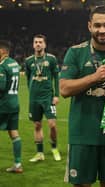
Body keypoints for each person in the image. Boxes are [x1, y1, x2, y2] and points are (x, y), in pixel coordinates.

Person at [60, 5, 105, 187]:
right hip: (82, 136)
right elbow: (65, 89)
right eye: (97, 25)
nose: (102, 30)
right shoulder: (75, 52)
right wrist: (94, 77)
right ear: (89, 26)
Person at [25, 34, 61, 162]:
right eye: (36, 42)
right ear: (33, 44)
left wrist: (56, 95)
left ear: (45, 44)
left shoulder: (51, 59)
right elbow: (28, 78)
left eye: (40, 42)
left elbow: (56, 77)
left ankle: (54, 148)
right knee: (37, 125)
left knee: (52, 124)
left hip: (48, 97)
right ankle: (40, 153)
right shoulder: (28, 61)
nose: (38, 44)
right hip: (34, 99)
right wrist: (31, 93)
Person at [0, 40, 23, 173]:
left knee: (13, 132)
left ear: (2, 51)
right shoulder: (14, 63)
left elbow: (1, 87)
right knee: (14, 132)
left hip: (3, 104)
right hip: (14, 103)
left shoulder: (2, 65)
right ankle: (18, 164)